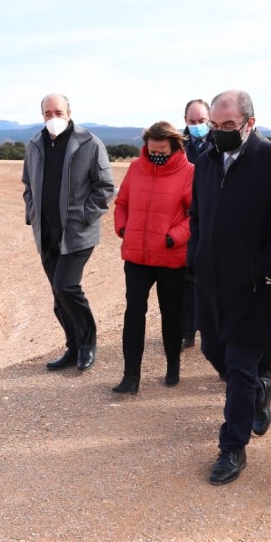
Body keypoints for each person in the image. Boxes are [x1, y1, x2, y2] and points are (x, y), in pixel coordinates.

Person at [188, 89, 271, 485]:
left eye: (228, 126)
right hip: (210, 281)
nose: (219, 133)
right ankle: (259, 389)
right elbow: (198, 215)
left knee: (239, 366)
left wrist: (263, 269)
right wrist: (196, 254)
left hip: (252, 287)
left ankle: (232, 448)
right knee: (212, 350)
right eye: (215, 126)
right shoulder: (205, 160)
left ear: (249, 123)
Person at [22, 93, 115, 373]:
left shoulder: (89, 143)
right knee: (57, 294)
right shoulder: (35, 145)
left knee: (66, 287)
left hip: (77, 234)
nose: (54, 118)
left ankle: (88, 344)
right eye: (48, 114)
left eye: (58, 112)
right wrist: (33, 214)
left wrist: (86, 216)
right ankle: (73, 347)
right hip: (46, 233)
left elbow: (105, 188)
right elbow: (28, 184)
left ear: (70, 112)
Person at [112, 122, 194, 393]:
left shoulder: (188, 172)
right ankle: (130, 376)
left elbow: (195, 215)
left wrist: (173, 237)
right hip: (136, 256)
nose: (156, 153)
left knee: (171, 315)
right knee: (134, 312)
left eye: (162, 150)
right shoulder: (136, 168)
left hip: (171, 258)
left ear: (174, 147)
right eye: (152, 148)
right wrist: (123, 228)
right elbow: (121, 203)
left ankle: (173, 365)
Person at [179, 99, 211, 349]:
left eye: (202, 121)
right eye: (192, 122)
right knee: (187, 279)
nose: (197, 126)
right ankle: (187, 330)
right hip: (187, 220)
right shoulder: (178, 146)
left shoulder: (220, 144)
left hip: (215, 218)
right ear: (185, 122)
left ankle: (214, 329)